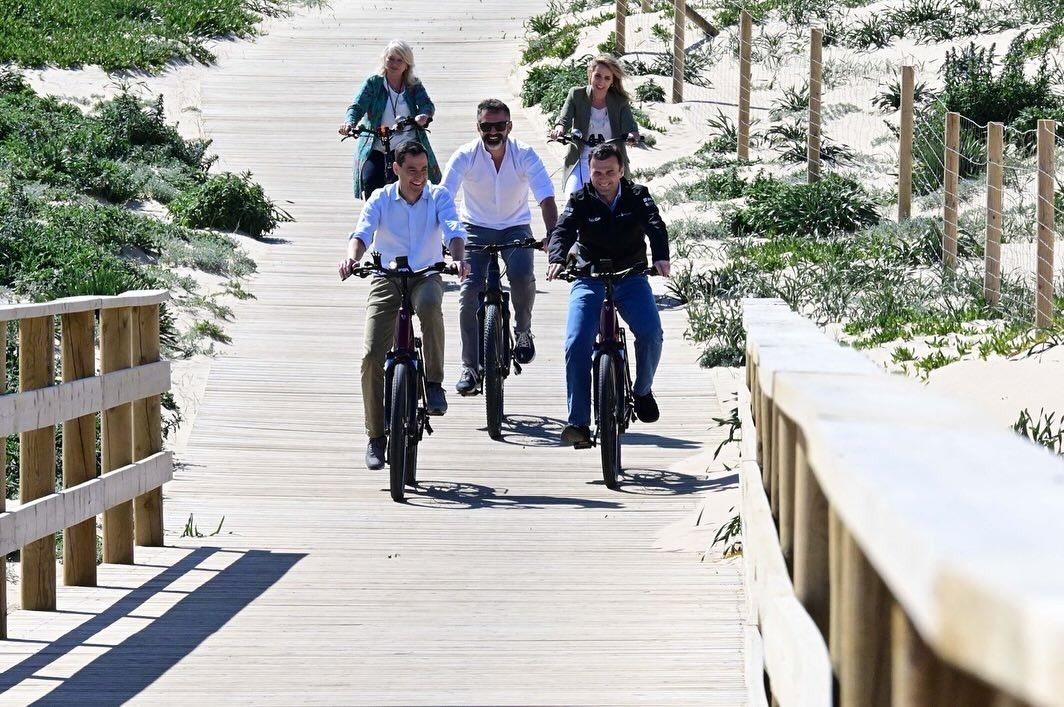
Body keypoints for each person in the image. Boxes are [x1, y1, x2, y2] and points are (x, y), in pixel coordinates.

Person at [339, 142, 471, 470]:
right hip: (386, 277)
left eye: (424, 170)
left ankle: (434, 383)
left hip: (426, 275)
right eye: (411, 170)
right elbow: (362, 234)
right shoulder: (381, 199)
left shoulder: (438, 196)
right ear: (396, 169)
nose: (419, 177)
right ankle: (375, 435)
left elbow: (454, 231)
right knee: (371, 355)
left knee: (429, 307)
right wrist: (351, 259)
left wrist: (458, 260)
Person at [546, 143, 670, 448]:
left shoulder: (637, 195)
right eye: (597, 173)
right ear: (589, 172)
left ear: (622, 170)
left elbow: (655, 224)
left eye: (610, 172)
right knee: (576, 343)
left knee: (651, 333)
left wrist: (661, 257)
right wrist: (557, 257)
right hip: (589, 278)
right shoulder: (580, 199)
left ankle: (641, 391)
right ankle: (578, 422)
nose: (603, 179)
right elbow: (563, 230)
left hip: (631, 276)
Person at [441, 98, 558, 394]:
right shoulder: (464, 155)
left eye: (499, 126)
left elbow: (545, 197)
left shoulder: (525, 154)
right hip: (473, 229)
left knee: (521, 276)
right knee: (469, 292)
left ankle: (522, 332)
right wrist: (446, 240)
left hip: (515, 227)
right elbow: (444, 198)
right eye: (486, 126)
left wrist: (554, 236)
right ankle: (469, 366)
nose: (493, 132)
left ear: (509, 126)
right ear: (477, 127)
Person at [339, 39, 442, 200]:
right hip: (377, 144)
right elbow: (357, 107)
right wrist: (349, 122)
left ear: (407, 64)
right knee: (371, 182)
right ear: (384, 59)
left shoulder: (413, 85)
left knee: (413, 184)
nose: (394, 63)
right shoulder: (374, 83)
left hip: (407, 145)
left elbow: (427, 105)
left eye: (399, 60)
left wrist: (424, 116)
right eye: (391, 58)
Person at [549, 55, 640, 195]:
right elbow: (564, 120)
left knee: (618, 203)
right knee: (572, 197)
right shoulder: (576, 94)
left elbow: (630, 127)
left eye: (607, 78)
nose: (601, 82)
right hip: (582, 159)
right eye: (597, 76)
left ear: (612, 81)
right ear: (590, 75)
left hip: (611, 161)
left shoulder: (619, 101)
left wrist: (632, 136)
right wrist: (559, 129)